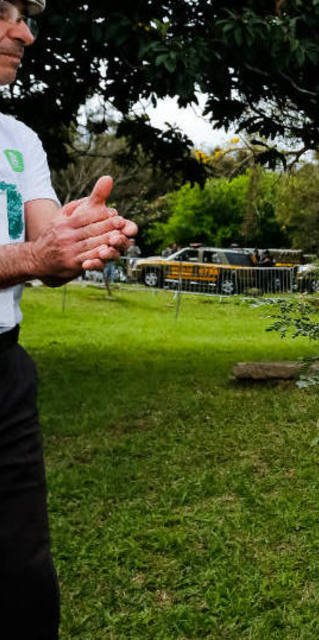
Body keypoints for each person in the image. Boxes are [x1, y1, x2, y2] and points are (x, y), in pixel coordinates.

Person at [0, 1, 138, 637]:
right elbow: (31, 252)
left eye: (25, 16)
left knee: (24, 572)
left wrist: (78, 236)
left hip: (5, 371)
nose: (24, 33)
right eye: (3, 13)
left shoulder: (17, 138)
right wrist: (38, 253)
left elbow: (47, 250)